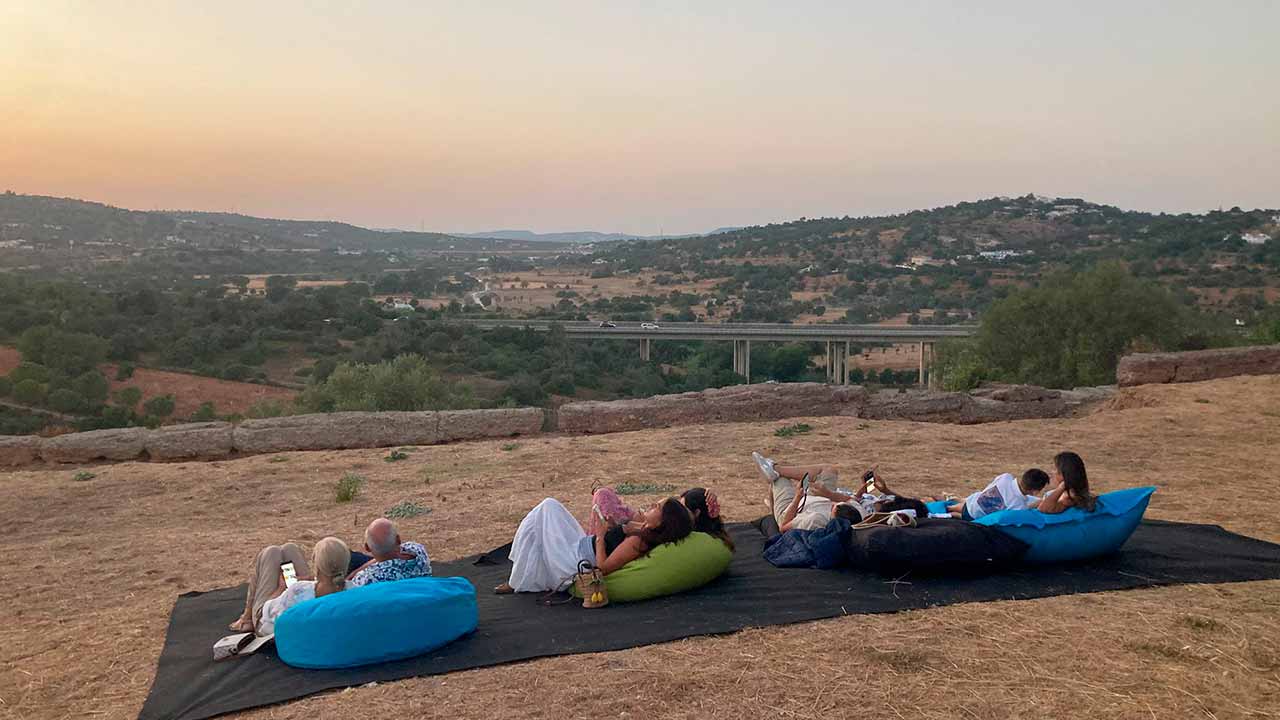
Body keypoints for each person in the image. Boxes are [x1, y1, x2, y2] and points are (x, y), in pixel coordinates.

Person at [496, 496, 694, 593]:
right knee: (548, 511)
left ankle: (516, 580)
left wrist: (600, 536)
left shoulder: (638, 541)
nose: (651, 506)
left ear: (662, 521)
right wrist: (617, 527)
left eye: (656, 508)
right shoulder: (642, 532)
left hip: (575, 559)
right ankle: (520, 575)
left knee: (544, 512)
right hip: (582, 546)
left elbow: (602, 568)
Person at [752, 452, 926, 532]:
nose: (883, 499)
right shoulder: (862, 508)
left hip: (795, 508)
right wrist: (870, 484)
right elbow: (856, 498)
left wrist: (798, 497)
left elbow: (784, 526)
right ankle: (775, 468)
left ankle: (775, 474)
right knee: (829, 470)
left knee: (779, 481)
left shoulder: (869, 515)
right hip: (819, 500)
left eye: (885, 500)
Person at [229, 537, 350, 634]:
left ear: (317, 567)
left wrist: (281, 589)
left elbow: (265, 612)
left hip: (269, 624)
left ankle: (247, 617)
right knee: (290, 548)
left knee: (270, 553)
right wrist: (310, 581)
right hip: (312, 598)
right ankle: (246, 617)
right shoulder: (354, 588)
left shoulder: (297, 590)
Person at [347, 517, 431, 587]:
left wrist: (352, 576)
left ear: (367, 548)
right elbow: (388, 557)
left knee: (352, 558)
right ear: (398, 540)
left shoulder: (366, 579)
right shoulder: (417, 550)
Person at [943, 468, 1050, 520]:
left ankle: (950, 506)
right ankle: (950, 513)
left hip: (972, 502)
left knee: (962, 507)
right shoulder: (1019, 506)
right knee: (961, 516)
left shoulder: (1006, 477)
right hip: (975, 517)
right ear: (1035, 491)